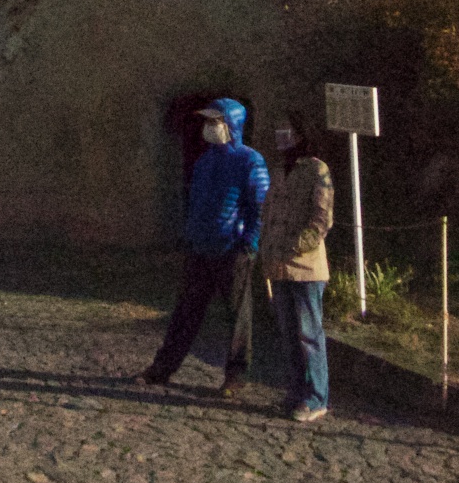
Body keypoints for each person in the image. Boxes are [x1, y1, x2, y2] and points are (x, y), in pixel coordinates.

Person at [138, 98, 270, 397]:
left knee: (237, 317)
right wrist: (191, 235)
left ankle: (235, 376)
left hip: (232, 250)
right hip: (200, 248)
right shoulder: (205, 161)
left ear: (232, 125)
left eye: (216, 122)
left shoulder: (250, 161)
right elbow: (195, 202)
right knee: (185, 313)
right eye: (207, 122)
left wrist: (249, 244)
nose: (209, 128)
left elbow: (260, 207)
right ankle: (162, 368)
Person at [258, 111, 335, 423]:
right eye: (278, 130)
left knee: (309, 334)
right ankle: (295, 393)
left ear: (301, 134)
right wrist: (266, 247)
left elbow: (321, 219)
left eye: (287, 130)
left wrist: (295, 246)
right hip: (277, 265)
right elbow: (270, 211)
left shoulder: (317, 169)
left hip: (305, 267)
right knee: (288, 334)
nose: (281, 136)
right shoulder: (279, 171)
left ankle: (317, 398)